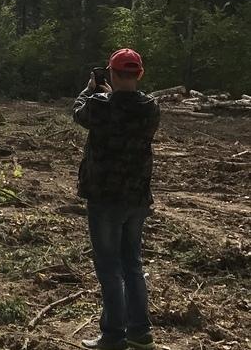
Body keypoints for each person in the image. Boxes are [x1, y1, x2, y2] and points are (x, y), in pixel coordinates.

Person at [72, 48, 161, 350]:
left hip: (105, 197)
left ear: (110, 73)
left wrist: (90, 89)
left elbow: (79, 112)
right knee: (132, 264)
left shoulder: (99, 104)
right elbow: (127, 106)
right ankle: (140, 331)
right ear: (139, 74)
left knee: (109, 267)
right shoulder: (151, 107)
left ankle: (113, 334)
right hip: (136, 197)